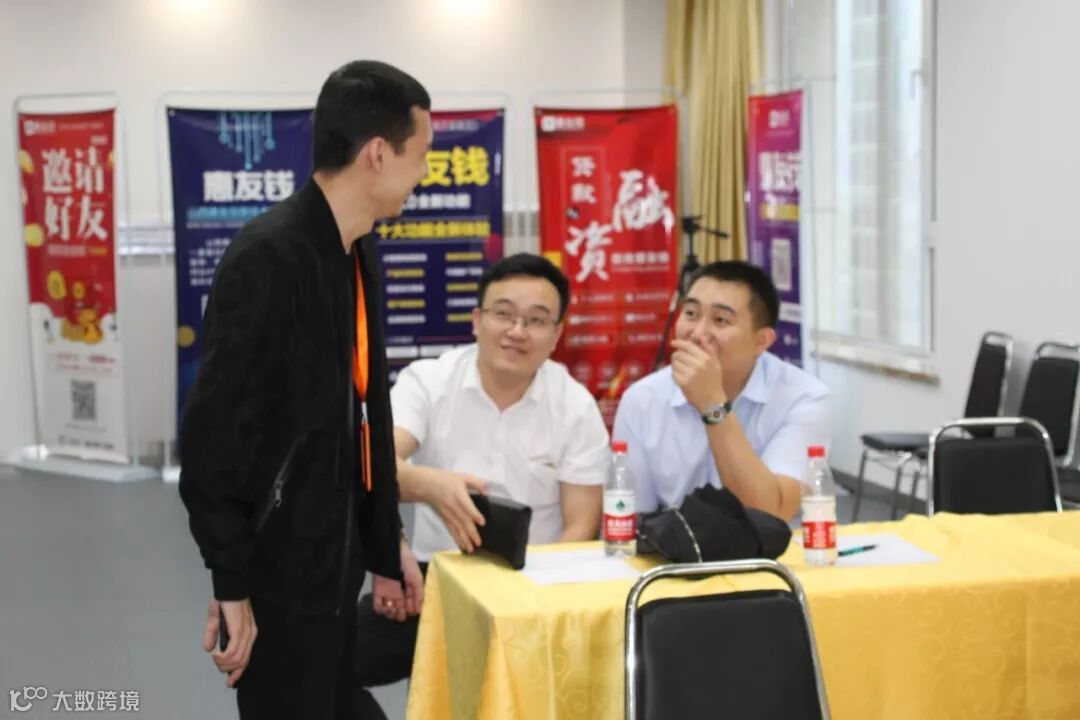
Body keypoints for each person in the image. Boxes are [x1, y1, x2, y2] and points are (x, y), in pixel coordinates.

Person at [178, 60, 430, 720]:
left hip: (333, 566)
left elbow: (362, 415)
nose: (425, 172)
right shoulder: (270, 257)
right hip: (281, 577)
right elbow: (212, 441)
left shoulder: (356, 250)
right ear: (378, 154)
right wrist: (231, 581)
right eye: (421, 153)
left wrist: (386, 544)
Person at [354, 253, 608, 718]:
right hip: (435, 585)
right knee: (314, 660)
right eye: (503, 314)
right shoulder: (429, 380)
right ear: (477, 320)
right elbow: (372, 464)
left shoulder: (574, 406)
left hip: (535, 587)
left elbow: (581, 528)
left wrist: (534, 604)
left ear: (557, 335)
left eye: (536, 320)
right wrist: (427, 491)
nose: (517, 331)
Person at [613, 260, 831, 521]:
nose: (698, 333)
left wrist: (712, 406)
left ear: (761, 341)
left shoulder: (804, 398)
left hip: (770, 547)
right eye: (691, 313)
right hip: (674, 543)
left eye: (720, 320)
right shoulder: (643, 399)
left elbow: (770, 514)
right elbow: (632, 517)